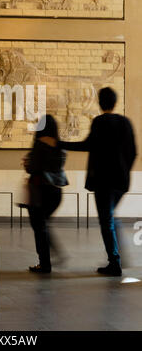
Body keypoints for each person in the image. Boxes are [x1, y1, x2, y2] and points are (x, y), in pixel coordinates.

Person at [59, 87, 137, 277]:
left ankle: (115, 262)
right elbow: (133, 152)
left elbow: (87, 145)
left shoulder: (100, 122)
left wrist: (60, 143)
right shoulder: (126, 122)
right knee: (110, 217)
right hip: (122, 181)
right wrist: (124, 170)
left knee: (107, 220)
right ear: (115, 102)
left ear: (100, 103)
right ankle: (117, 256)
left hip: (104, 180)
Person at [24, 114, 68, 273]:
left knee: (39, 227)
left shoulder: (39, 144)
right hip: (56, 191)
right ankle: (51, 257)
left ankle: (45, 263)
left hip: (39, 191)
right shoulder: (59, 146)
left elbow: (33, 168)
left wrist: (26, 163)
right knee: (44, 225)